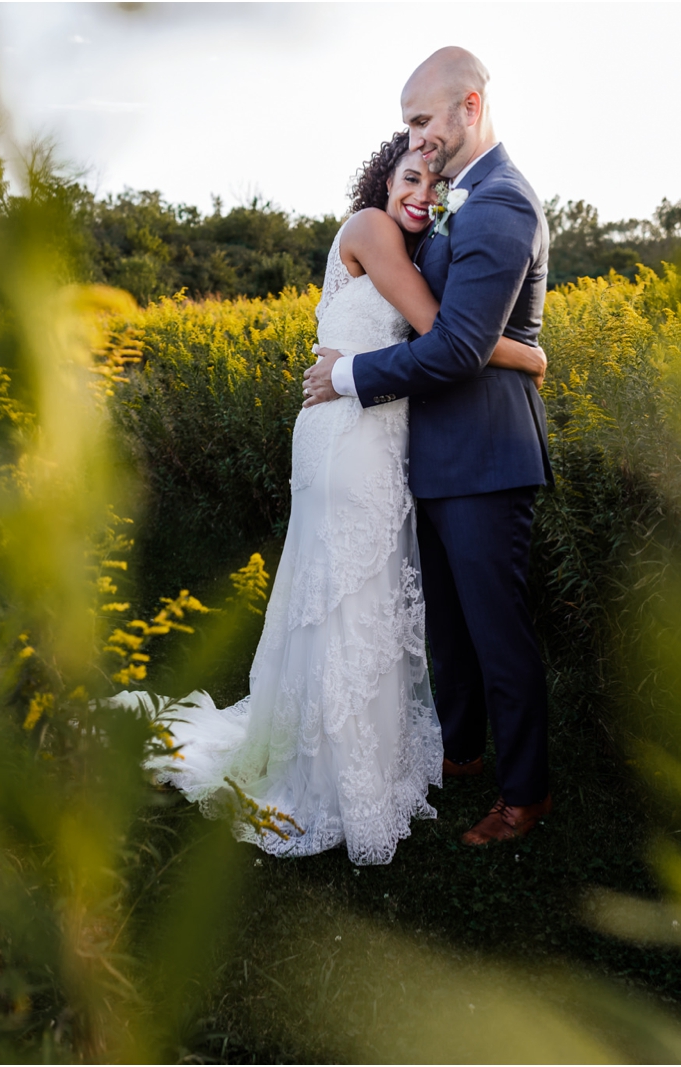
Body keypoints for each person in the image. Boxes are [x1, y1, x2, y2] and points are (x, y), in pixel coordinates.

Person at [147, 129, 546, 865]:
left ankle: (361, 751)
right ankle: (337, 766)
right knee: (346, 593)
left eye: (434, 183)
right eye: (409, 178)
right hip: (351, 434)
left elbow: (440, 334)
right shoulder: (370, 229)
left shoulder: (415, 244)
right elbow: (444, 333)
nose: (422, 194)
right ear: (381, 179)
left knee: (358, 593)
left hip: (372, 432)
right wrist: (530, 352)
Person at [304, 46, 554, 847]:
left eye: (421, 120)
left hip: (485, 454)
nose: (415, 139)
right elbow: (444, 322)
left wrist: (347, 376)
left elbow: (453, 349)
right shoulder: (455, 201)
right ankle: (464, 752)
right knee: (450, 627)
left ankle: (525, 794)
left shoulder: (500, 205)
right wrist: (526, 352)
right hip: (430, 451)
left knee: (497, 630)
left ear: (468, 107)